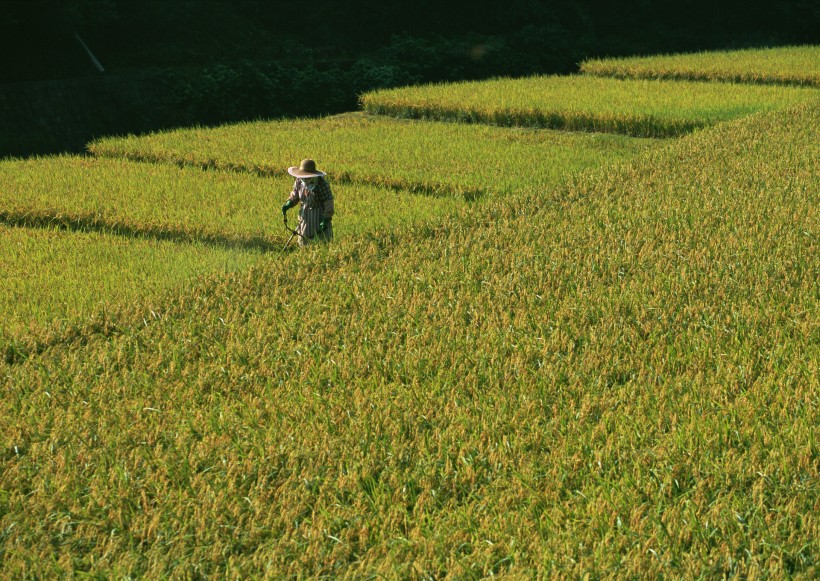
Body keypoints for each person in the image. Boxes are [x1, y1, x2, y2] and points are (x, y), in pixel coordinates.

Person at [281, 159, 334, 246]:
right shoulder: (299, 181)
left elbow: (328, 202)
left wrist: (325, 219)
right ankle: (305, 253)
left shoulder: (321, 184)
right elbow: (295, 194)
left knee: (320, 240)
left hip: (319, 214)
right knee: (304, 236)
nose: (305, 178)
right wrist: (289, 203)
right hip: (305, 214)